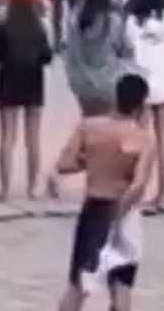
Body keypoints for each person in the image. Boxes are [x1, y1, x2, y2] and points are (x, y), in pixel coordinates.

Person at [53, 74, 154, 311]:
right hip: (125, 213)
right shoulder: (142, 139)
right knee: (122, 287)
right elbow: (138, 184)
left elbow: (64, 165)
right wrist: (120, 212)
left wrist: (93, 161)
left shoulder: (89, 127)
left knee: (78, 286)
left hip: (95, 208)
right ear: (141, 105)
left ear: (115, 98)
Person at [124, 0, 164, 211]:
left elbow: (129, 48)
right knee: (163, 143)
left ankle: (139, 191)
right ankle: (163, 193)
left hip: (143, 87)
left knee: (143, 144)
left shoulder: (132, 22)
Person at [0, 0, 52, 201]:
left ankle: (5, 189)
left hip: (9, 79)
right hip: (33, 80)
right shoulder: (38, 27)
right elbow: (47, 56)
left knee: (7, 136)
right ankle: (32, 188)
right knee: (33, 138)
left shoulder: (4, 26)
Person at [64, 0, 138, 117]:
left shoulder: (75, 17)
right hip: (107, 81)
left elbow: (69, 45)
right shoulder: (113, 20)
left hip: (80, 81)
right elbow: (126, 50)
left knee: (89, 118)